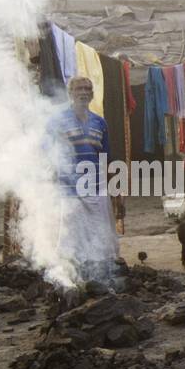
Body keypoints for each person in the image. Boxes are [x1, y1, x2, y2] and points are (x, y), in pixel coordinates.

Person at [53, 75, 118, 280]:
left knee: (102, 236)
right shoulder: (58, 121)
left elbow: (106, 158)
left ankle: (103, 278)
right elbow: (49, 153)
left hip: (97, 190)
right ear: (70, 93)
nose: (83, 92)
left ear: (92, 94)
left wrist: (116, 190)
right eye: (79, 89)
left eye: (87, 89)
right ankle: (74, 278)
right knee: (73, 240)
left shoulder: (100, 123)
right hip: (70, 191)